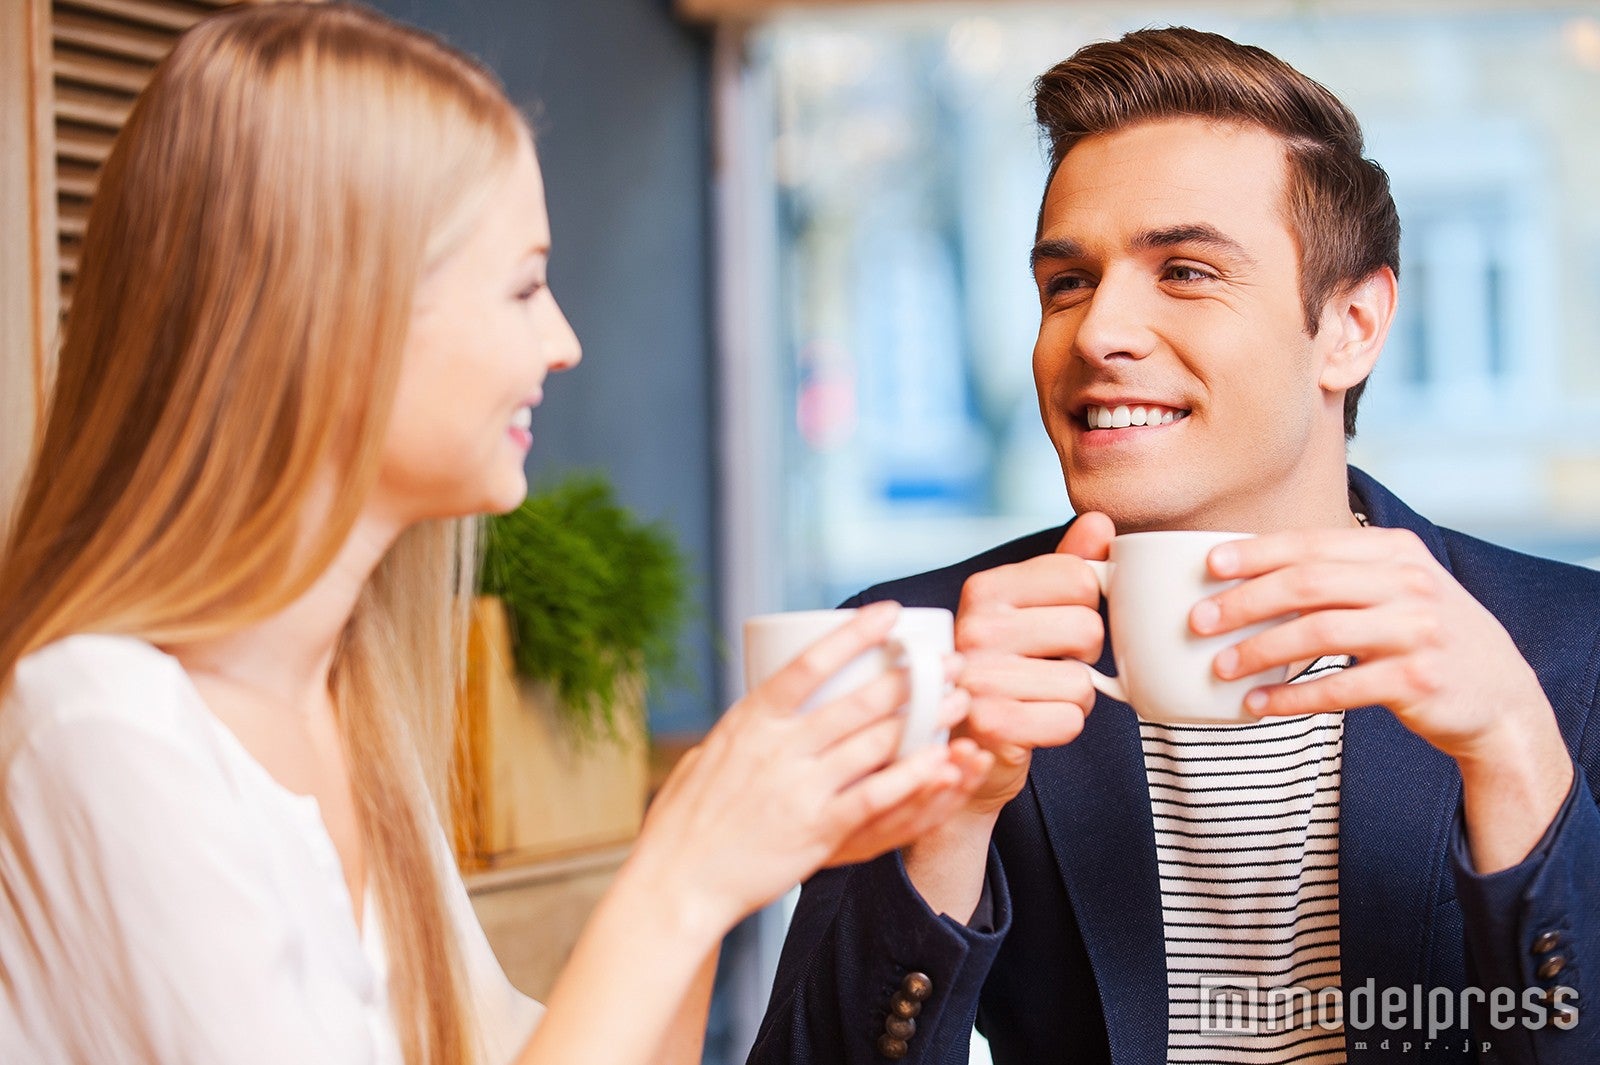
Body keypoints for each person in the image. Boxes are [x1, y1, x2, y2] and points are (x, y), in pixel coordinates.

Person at [0, 5, 995, 1064]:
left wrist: (718, 876)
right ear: (343, 317)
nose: (562, 341)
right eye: (523, 283)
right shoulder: (107, 731)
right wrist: (683, 873)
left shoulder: (346, 719)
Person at [748, 26, 1598, 1065]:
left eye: (1185, 271)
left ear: (1351, 326)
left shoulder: (1566, 653)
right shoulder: (932, 649)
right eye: (1065, 283)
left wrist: (1515, 754)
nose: (1097, 331)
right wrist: (946, 827)